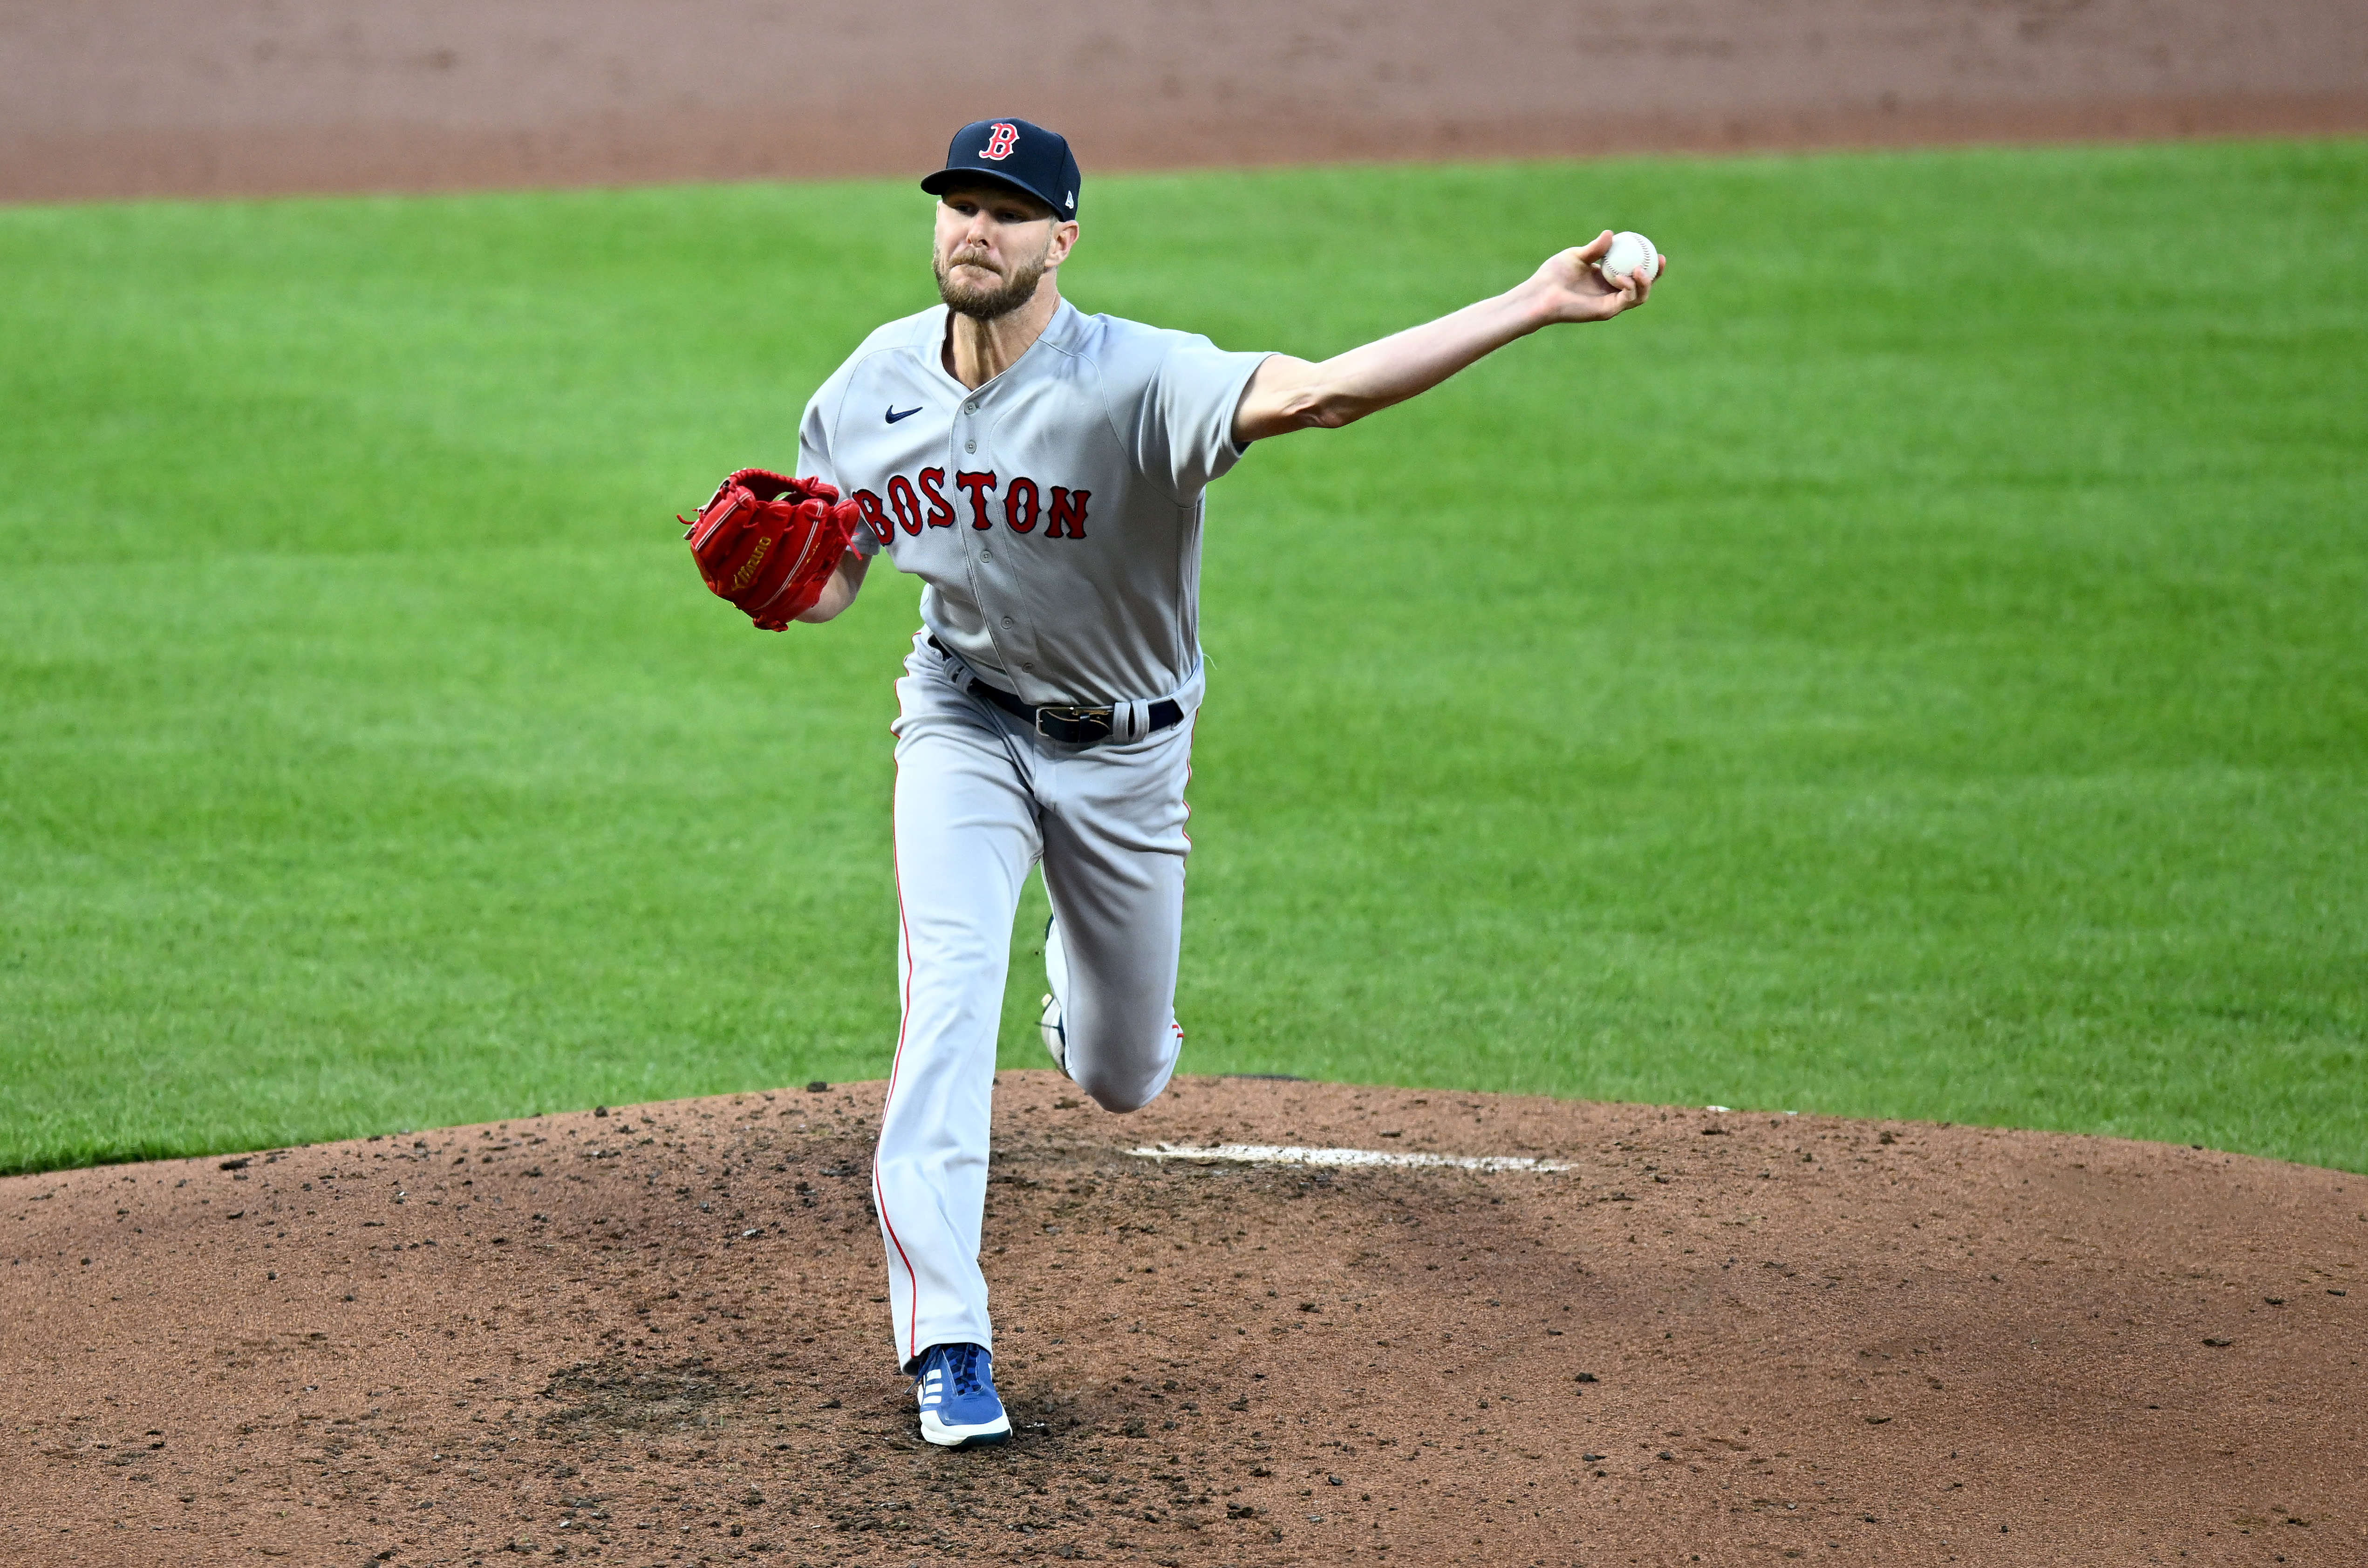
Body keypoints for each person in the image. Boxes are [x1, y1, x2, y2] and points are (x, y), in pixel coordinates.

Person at [792, 117, 1659, 1448]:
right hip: (959, 723)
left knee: (1123, 1074)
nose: (976, 229)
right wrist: (802, 588)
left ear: (1061, 239)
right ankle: (946, 1342)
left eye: (1009, 212)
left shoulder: (1137, 379)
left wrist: (1532, 304)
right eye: (960, 204)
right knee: (943, 1006)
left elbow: (1322, 392)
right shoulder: (872, 384)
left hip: (1129, 754)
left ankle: (1087, 1009)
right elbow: (836, 570)